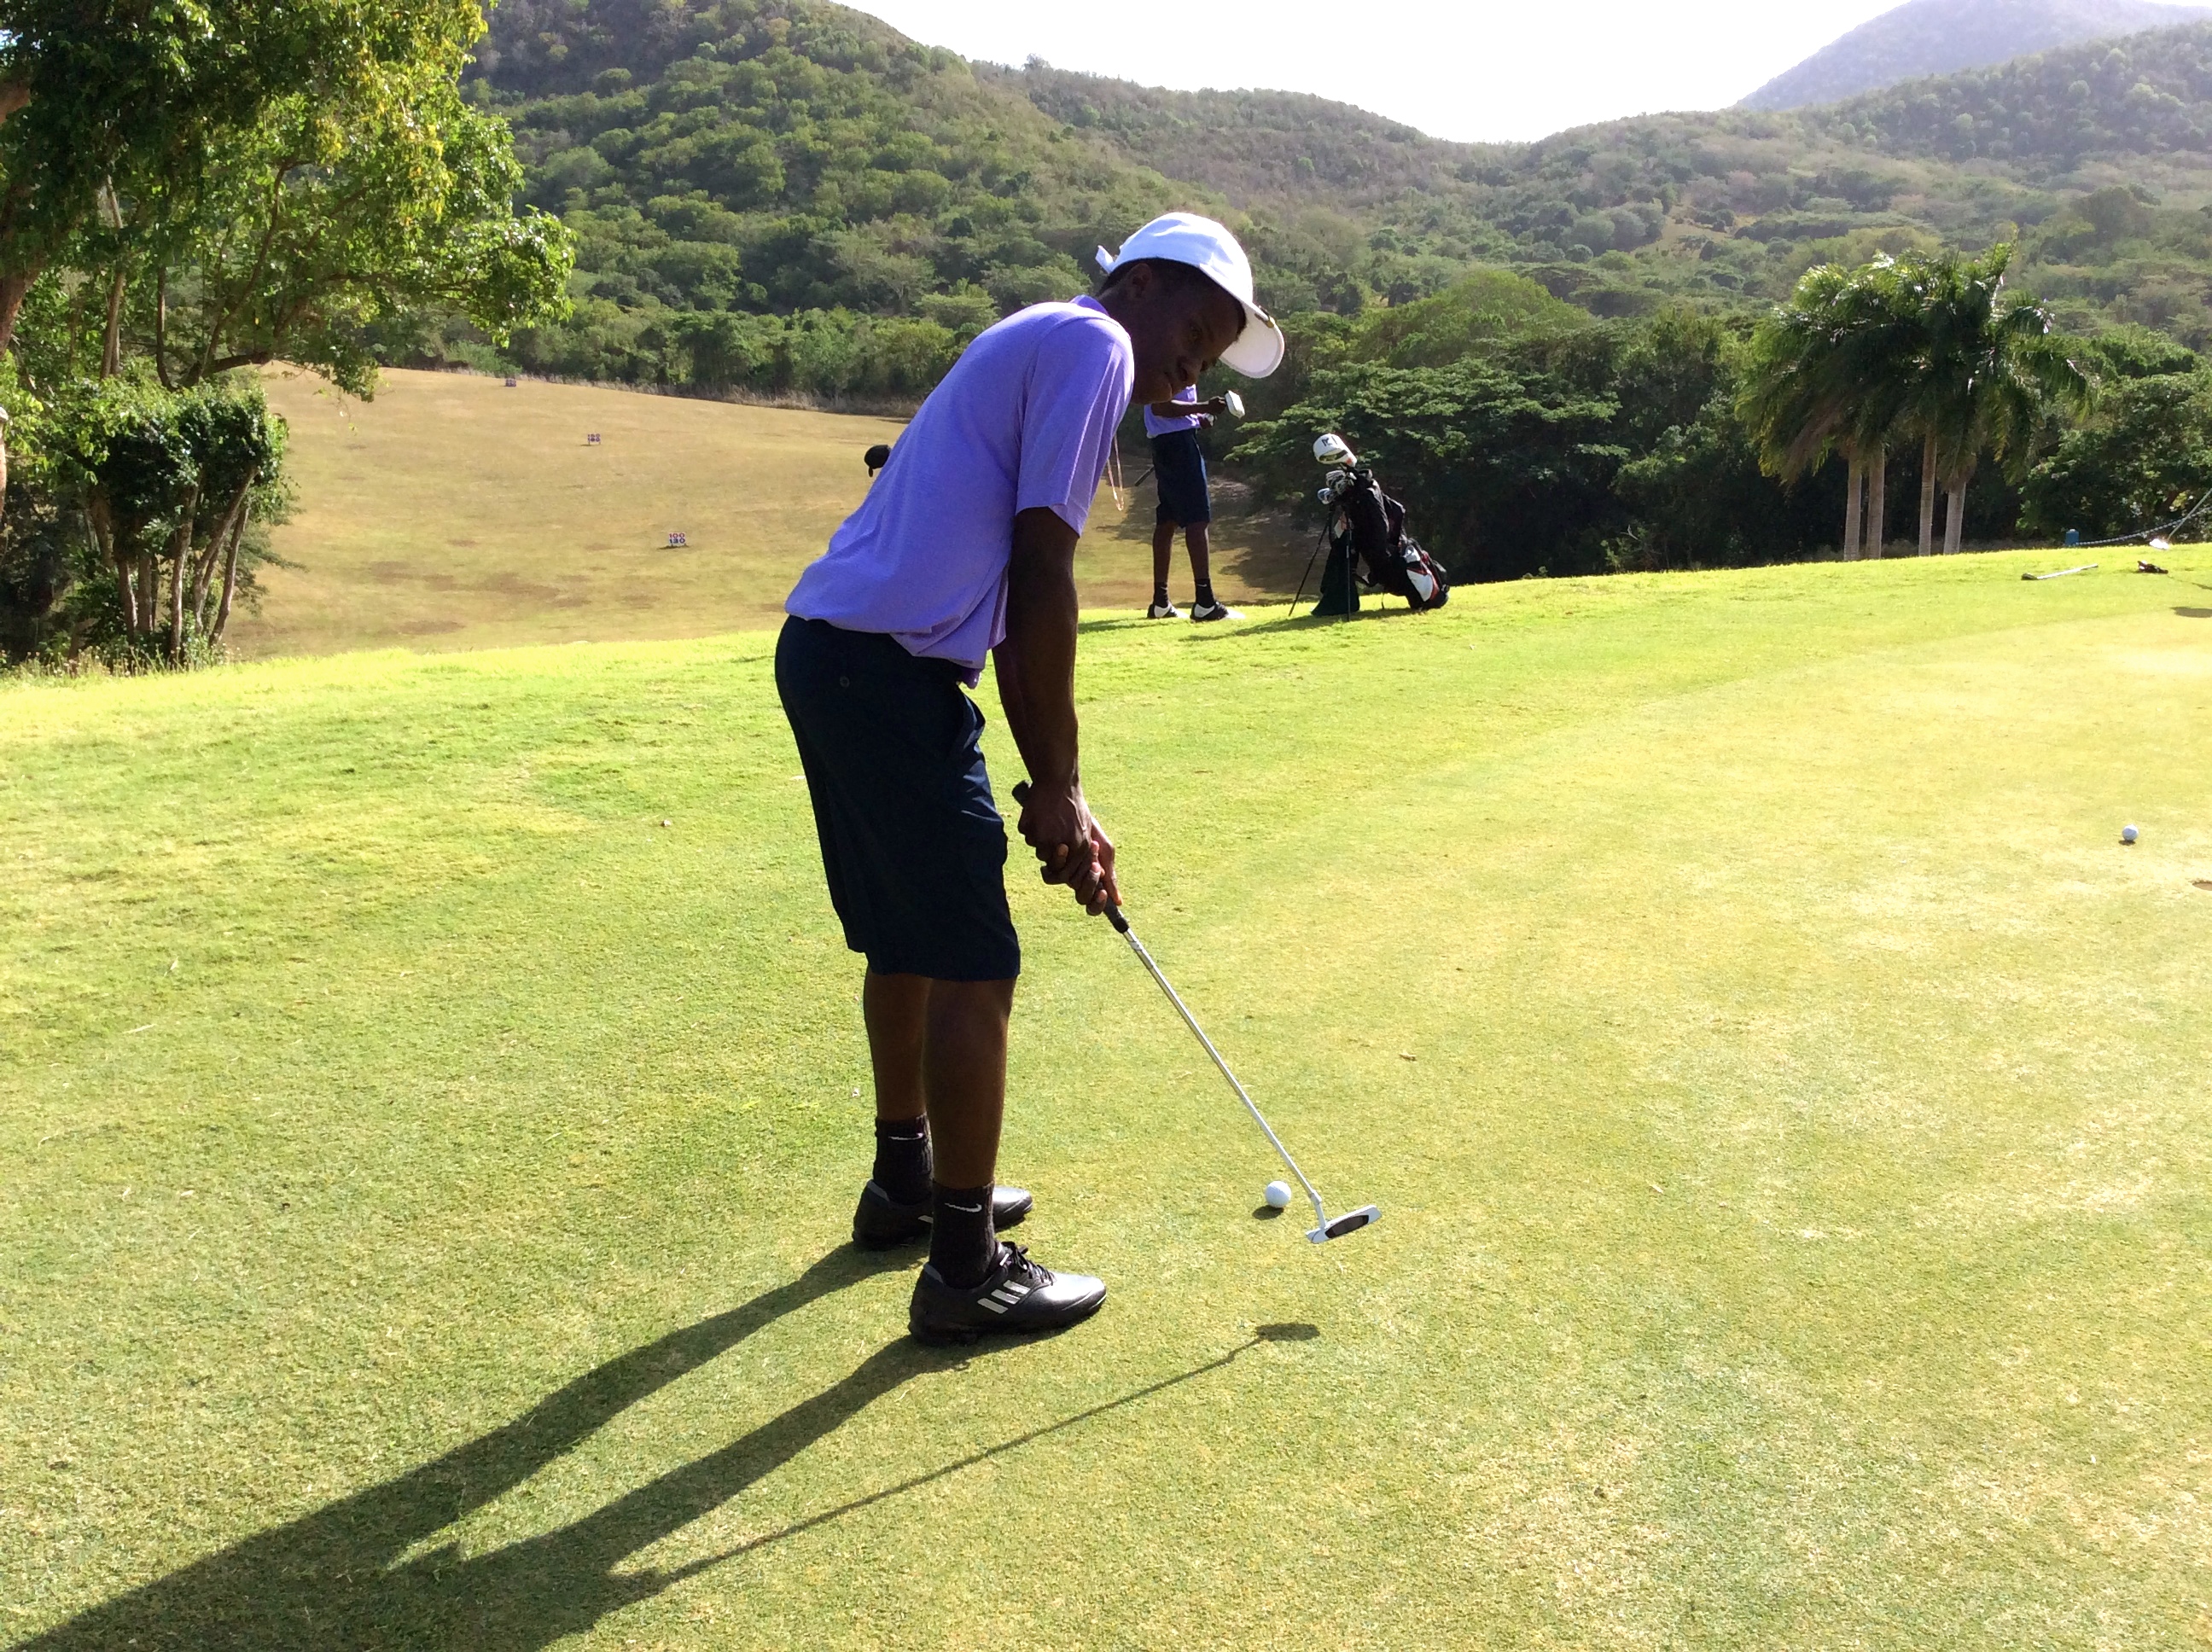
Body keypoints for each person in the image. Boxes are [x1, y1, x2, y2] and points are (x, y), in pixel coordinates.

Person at [776, 212, 1283, 1344]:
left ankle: (905, 1183)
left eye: (1212, 352)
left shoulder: (1062, 349)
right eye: (1194, 331)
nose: (1193, 363)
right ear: (1139, 285)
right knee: (972, 958)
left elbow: (1011, 587)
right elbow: (1042, 578)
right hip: (884, 674)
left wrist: (1065, 786)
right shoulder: (1096, 346)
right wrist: (1057, 784)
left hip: (838, 659)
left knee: (912, 941)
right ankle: (963, 1264)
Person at [1144, 386, 1239, 621]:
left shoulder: (1170, 359)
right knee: (1198, 519)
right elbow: (1160, 407)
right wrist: (1205, 406)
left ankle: (1160, 603)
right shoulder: (1172, 360)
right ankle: (1205, 603)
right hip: (1178, 446)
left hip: (1167, 443)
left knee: (1168, 519)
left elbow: (1169, 409)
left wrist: (1197, 419)